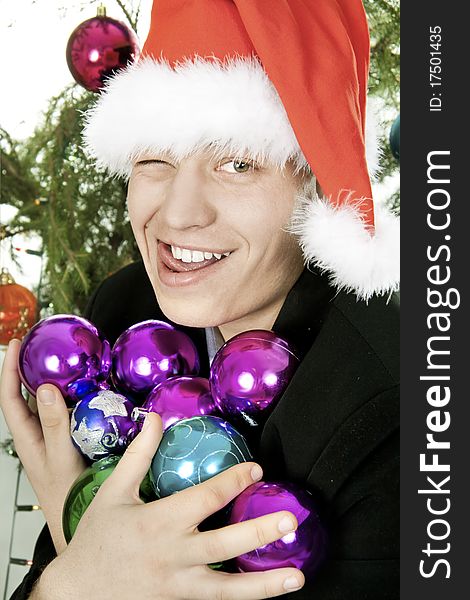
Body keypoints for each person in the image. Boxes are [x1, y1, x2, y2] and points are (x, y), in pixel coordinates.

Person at [0, 1, 400, 598]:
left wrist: (75, 551)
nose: (178, 214)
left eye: (237, 163)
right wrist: (75, 557)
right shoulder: (121, 315)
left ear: (316, 183)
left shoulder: (395, 406)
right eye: (155, 157)